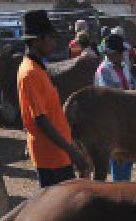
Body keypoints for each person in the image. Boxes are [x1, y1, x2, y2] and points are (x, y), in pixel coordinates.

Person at [17, 10, 90, 187]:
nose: (54, 42)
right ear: (36, 41)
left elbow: (52, 115)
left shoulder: (39, 69)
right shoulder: (29, 73)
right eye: (50, 38)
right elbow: (41, 119)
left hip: (58, 154)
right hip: (50, 157)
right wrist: (72, 152)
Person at [93, 33, 136, 181]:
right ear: (112, 54)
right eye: (121, 52)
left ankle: (124, 187)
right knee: (118, 157)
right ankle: (119, 190)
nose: (123, 55)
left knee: (127, 156)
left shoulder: (124, 67)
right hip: (113, 122)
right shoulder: (104, 70)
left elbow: (133, 85)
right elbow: (112, 97)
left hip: (127, 119)